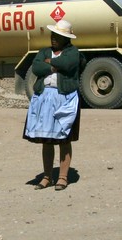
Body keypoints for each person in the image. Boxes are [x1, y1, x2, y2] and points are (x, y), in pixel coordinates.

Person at [23, 19, 82, 191]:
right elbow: (36, 67)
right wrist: (52, 66)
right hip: (45, 98)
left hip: (65, 98)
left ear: (66, 38)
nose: (54, 38)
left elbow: (67, 64)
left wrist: (50, 62)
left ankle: (63, 177)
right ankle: (47, 177)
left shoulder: (73, 52)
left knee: (64, 138)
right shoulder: (44, 51)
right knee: (47, 140)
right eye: (53, 35)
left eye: (58, 36)